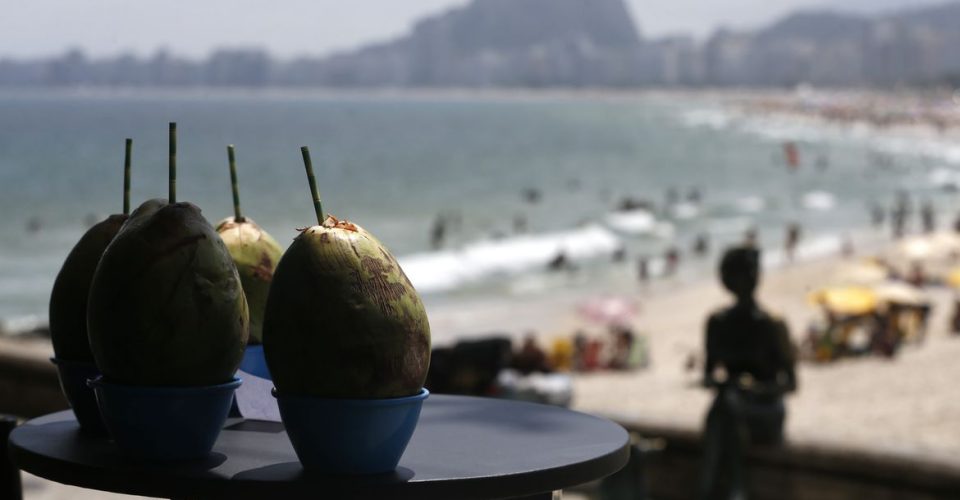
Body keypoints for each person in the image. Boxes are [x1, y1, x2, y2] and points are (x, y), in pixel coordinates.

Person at [699, 246, 797, 500]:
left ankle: (716, 490)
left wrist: (755, 389)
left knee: (725, 411)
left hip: (764, 409)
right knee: (727, 408)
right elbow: (708, 377)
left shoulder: (772, 324)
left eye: (753, 271)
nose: (750, 278)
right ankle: (735, 490)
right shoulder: (717, 323)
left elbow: (791, 384)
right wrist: (730, 384)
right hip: (732, 407)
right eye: (744, 272)